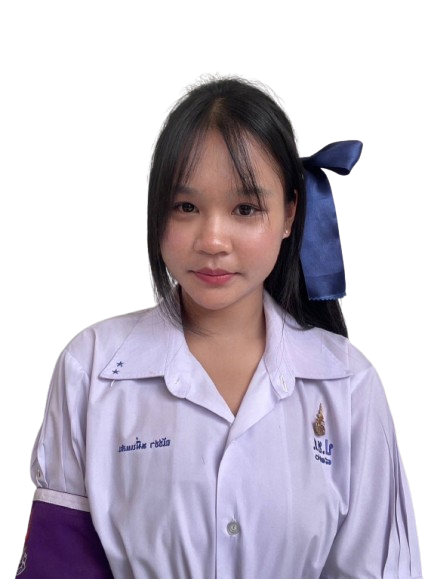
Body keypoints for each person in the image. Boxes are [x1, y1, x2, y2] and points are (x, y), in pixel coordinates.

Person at [16, 72, 422, 578]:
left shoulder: (349, 384)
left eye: (245, 208)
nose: (212, 239)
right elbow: (60, 565)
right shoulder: (90, 367)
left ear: (290, 213)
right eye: (186, 206)